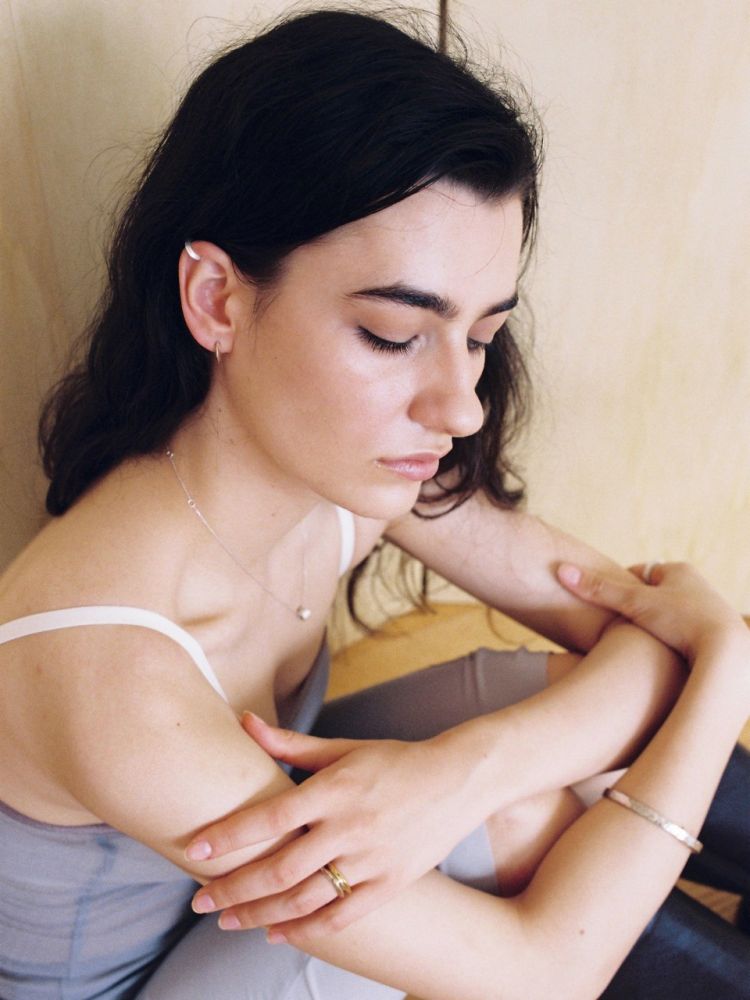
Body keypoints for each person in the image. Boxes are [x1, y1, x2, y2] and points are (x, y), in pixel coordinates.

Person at [1, 7, 748, 999]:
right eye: (394, 334)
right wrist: (729, 661)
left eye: (480, 336)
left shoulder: (344, 470)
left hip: (220, 912)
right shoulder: (110, 667)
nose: (460, 406)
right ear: (217, 299)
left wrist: (465, 770)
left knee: (535, 746)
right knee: (528, 819)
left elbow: (640, 633)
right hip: (128, 988)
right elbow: (542, 971)